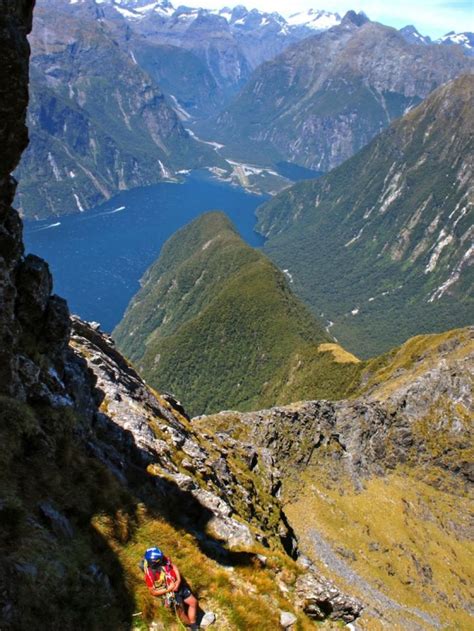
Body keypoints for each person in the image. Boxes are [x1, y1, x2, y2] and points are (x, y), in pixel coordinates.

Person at [143, 547, 199, 630]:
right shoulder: (150, 574)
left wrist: (179, 580)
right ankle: (191, 626)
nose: (163, 559)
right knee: (181, 613)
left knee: (193, 602)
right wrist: (169, 589)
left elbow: (174, 566)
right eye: (160, 559)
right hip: (172, 594)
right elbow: (153, 592)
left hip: (179, 586)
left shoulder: (163, 559)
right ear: (154, 562)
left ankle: (193, 624)